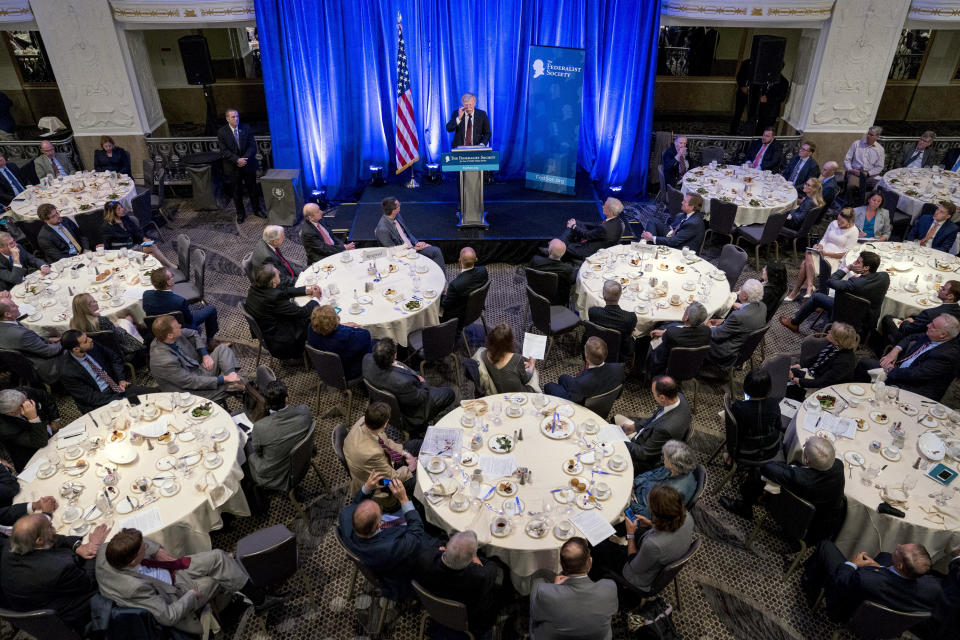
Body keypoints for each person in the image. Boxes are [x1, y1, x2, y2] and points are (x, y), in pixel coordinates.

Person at [96, 527, 283, 635]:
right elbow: (168, 616)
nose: (147, 546)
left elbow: (140, 541)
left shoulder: (107, 549)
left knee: (219, 557)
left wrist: (157, 551)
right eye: (143, 549)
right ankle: (252, 601)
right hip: (174, 594)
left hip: (167, 570)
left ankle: (256, 600)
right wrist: (191, 596)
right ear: (132, 561)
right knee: (219, 574)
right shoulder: (135, 588)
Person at [1, 514, 108, 632]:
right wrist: (94, 546)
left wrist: (76, 546)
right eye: (50, 526)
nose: (53, 526)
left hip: (34, 604)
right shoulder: (58, 569)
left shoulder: (11, 545)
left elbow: (51, 538)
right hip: (69, 612)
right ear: (39, 540)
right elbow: (88, 581)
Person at [590, 485, 695, 601]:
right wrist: (651, 524)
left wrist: (630, 535)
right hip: (668, 550)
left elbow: (634, 566)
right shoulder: (687, 516)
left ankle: (594, 576)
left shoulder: (653, 545)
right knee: (631, 527)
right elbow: (668, 528)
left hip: (636, 575)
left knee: (599, 546)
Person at [338, 471, 432, 599]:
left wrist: (367, 488)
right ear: (378, 524)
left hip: (391, 526)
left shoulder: (346, 517)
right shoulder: (388, 548)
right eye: (380, 512)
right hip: (404, 575)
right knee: (430, 527)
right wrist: (403, 499)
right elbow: (416, 534)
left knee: (418, 506)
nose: (381, 511)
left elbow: (356, 505)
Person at [802, 540, 940, 623]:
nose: (898, 545)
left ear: (900, 566)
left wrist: (852, 564)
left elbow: (841, 582)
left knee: (826, 546)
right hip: (889, 621)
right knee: (885, 556)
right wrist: (880, 568)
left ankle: (809, 584)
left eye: (899, 549)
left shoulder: (864, 579)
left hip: (850, 614)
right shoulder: (934, 587)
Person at [415, 531, 510, 636]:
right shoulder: (479, 576)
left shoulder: (424, 559)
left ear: (447, 546)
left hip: (432, 609)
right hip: (469, 621)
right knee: (502, 571)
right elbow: (492, 566)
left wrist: (440, 551)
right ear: (471, 560)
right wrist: (476, 558)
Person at [753, 437, 846, 542]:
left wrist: (787, 467)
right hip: (826, 526)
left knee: (757, 473)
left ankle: (745, 506)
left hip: (802, 524)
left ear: (807, 461)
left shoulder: (799, 478)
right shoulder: (839, 465)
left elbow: (767, 468)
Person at [717, 369, 784, 515]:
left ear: (746, 387)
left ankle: (745, 504)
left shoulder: (739, 408)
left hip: (748, 453)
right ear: (768, 388)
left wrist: (730, 452)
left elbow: (734, 435)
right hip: (773, 448)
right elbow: (779, 426)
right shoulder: (774, 404)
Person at [854, 314, 960, 401]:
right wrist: (895, 350)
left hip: (915, 388)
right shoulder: (933, 335)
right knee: (864, 364)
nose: (928, 325)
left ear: (943, 335)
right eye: (931, 323)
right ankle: (856, 394)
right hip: (900, 370)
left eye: (933, 326)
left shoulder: (947, 355)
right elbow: (910, 337)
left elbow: (915, 374)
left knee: (882, 395)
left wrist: (890, 370)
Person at [529, 537, 617, 640]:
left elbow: (536, 616)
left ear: (561, 564)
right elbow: (613, 611)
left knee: (537, 580)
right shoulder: (609, 587)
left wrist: (555, 588)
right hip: (598, 636)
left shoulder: (544, 592)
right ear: (590, 562)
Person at [780, 251, 889, 334]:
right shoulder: (885, 277)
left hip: (846, 315)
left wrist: (848, 267)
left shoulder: (853, 284)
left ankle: (794, 324)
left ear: (866, 268)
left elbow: (831, 281)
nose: (854, 262)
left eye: (858, 262)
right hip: (867, 321)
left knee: (816, 297)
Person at [361, 338, 456, 432]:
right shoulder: (403, 383)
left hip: (384, 400)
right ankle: (420, 427)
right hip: (408, 413)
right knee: (449, 393)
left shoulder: (366, 359)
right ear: (395, 356)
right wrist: (423, 382)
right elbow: (421, 398)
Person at [148, 314, 243, 401]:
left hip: (198, 371)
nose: (180, 325)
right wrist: (223, 379)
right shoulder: (164, 361)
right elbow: (190, 381)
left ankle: (233, 380)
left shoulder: (167, 337)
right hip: (189, 391)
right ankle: (233, 383)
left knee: (222, 348)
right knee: (242, 382)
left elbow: (194, 333)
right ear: (170, 335)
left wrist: (205, 355)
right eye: (177, 326)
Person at [59, 330, 157, 413]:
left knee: (156, 394)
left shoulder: (91, 345)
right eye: (85, 341)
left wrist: (121, 379)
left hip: (118, 387)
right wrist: (122, 400)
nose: (90, 339)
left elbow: (115, 359)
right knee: (138, 410)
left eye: (87, 337)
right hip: (99, 401)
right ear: (76, 349)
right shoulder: (67, 371)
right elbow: (90, 397)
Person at [343, 402, 419, 505]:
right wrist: (410, 468)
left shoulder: (364, 421)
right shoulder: (372, 454)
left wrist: (405, 453)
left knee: (416, 444)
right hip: (381, 484)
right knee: (417, 481)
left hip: (380, 463)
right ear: (385, 424)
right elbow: (392, 477)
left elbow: (385, 442)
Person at [615, 376, 691, 474]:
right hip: (648, 437)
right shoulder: (678, 397)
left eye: (653, 394)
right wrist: (633, 427)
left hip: (644, 461)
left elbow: (644, 454)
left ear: (662, 397)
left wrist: (620, 442)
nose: (653, 396)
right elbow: (654, 418)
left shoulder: (665, 429)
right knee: (615, 420)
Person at [247, 380, 312, 492]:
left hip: (276, 476)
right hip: (303, 462)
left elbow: (258, 453)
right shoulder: (304, 411)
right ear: (286, 399)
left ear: (266, 402)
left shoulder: (260, 427)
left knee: (247, 449)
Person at [244, 265, 320, 359]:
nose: (280, 274)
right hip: (281, 338)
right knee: (310, 318)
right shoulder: (273, 298)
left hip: (266, 328)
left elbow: (283, 291)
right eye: (278, 275)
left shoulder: (255, 287)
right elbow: (301, 312)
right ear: (273, 282)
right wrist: (316, 299)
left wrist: (306, 291)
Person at [783, 208, 860, 301]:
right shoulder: (833, 223)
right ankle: (809, 287)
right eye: (838, 219)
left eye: (842, 222)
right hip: (822, 252)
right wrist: (819, 245)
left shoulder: (854, 231)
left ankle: (797, 291)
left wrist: (827, 253)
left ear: (849, 222)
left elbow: (846, 254)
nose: (838, 223)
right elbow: (824, 239)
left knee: (804, 264)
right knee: (809, 251)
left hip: (835, 258)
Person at [143, 267, 219, 349]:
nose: (173, 277)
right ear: (168, 282)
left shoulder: (146, 294)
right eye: (172, 276)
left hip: (158, 329)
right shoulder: (179, 301)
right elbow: (189, 319)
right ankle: (210, 341)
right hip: (180, 327)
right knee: (211, 309)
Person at [786, 322, 859, 401]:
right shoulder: (837, 346)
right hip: (817, 376)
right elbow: (816, 359)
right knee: (785, 371)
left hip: (828, 394)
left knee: (788, 392)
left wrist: (794, 379)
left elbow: (821, 382)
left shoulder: (844, 362)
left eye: (832, 332)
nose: (828, 332)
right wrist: (800, 365)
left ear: (838, 340)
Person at [626, 440, 698, 519]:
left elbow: (649, 515)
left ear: (672, 464)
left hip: (639, 507)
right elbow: (650, 474)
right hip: (636, 491)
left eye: (665, 457)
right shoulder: (676, 469)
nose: (662, 458)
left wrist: (629, 501)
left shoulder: (671, 493)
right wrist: (635, 483)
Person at [543, 336, 625, 405]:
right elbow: (618, 394)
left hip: (581, 402)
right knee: (563, 377)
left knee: (549, 386)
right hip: (600, 394)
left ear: (587, 358)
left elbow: (574, 400)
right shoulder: (619, 368)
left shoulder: (581, 382)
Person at [705, 279, 766, 369]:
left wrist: (708, 327)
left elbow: (716, 335)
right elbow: (740, 326)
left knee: (699, 332)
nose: (739, 289)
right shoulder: (762, 306)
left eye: (741, 288)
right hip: (741, 343)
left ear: (745, 296)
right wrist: (724, 322)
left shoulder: (739, 317)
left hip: (725, 352)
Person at [881, 280, 960, 347]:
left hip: (916, 341)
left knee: (887, 318)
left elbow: (906, 330)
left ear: (950, 296)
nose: (939, 289)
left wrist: (906, 321)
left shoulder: (930, 313)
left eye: (943, 289)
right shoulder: (957, 311)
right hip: (940, 343)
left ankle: (884, 348)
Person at [0, 299, 63, 382]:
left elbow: (31, 340)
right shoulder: (21, 334)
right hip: (43, 364)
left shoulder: (6, 324)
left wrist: (49, 339)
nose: (18, 306)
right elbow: (48, 351)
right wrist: (64, 341)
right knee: (75, 343)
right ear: (7, 314)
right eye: (14, 306)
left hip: (20, 362)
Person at [98, 200, 174, 267]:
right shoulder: (107, 227)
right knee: (152, 253)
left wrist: (144, 238)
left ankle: (168, 268)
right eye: (119, 209)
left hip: (133, 246)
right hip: (123, 252)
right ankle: (171, 267)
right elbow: (107, 245)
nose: (123, 210)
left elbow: (136, 231)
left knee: (152, 250)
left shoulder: (125, 218)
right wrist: (102, 246)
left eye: (121, 207)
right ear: (112, 212)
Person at [374, 197, 445, 268]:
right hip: (404, 254)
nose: (400, 206)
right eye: (399, 205)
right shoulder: (383, 229)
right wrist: (414, 249)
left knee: (436, 251)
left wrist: (416, 242)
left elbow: (408, 233)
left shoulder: (397, 215)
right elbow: (394, 252)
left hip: (412, 246)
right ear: (393, 210)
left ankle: (441, 277)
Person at [217, 108, 262, 222]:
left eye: (237, 116)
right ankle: (241, 214)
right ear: (227, 118)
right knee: (237, 192)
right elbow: (224, 150)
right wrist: (237, 160)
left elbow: (252, 145)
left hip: (247, 164)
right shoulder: (222, 132)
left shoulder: (246, 128)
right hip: (233, 167)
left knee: (253, 189)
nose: (236, 118)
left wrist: (244, 159)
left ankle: (257, 210)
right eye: (233, 117)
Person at [306, 305, 371, 380]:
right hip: (347, 373)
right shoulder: (346, 337)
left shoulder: (311, 328)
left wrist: (342, 326)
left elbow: (325, 328)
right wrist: (350, 327)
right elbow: (366, 334)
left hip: (323, 368)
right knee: (376, 343)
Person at [645, 301, 710, 376]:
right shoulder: (707, 331)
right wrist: (665, 332)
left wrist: (665, 333)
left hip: (668, 367)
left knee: (653, 341)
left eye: (685, 310)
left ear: (686, 317)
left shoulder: (671, 334)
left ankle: (648, 370)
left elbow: (672, 335)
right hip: (692, 365)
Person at [69, 292, 143, 358]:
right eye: (94, 301)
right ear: (87, 307)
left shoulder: (73, 323)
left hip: (97, 353)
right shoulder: (101, 321)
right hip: (117, 349)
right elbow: (119, 336)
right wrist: (118, 327)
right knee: (128, 318)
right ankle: (142, 351)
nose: (97, 302)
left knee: (123, 320)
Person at [0, 388, 55, 471]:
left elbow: (43, 395)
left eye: (26, 399)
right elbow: (40, 442)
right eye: (23, 404)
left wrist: (54, 419)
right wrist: (34, 418)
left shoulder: (22, 394)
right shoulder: (6, 429)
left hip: (50, 438)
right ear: (11, 413)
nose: (29, 403)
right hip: (32, 459)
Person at [478, 323, 538, 393]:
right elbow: (525, 380)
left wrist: (520, 366)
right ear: (509, 342)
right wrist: (532, 364)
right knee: (535, 372)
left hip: (498, 391)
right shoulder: (517, 358)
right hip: (518, 395)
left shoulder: (484, 354)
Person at [587, 279, 637, 363]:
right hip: (620, 352)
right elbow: (629, 333)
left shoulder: (593, 311)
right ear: (620, 295)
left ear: (604, 296)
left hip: (596, 345)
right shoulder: (630, 317)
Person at [562, 197, 626, 261]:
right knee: (579, 228)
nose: (602, 206)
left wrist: (573, 226)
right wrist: (578, 223)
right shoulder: (620, 222)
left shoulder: (604, 228)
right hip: (605, 246)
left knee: (567, 246)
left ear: (611, 212)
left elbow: (587, 235)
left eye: (605, 206)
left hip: (594, 252)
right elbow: (597, 225)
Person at [641, 192, 706, 251]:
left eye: (685, 201)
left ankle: (649, 247)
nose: (682, 202)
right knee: (652, 220)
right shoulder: (688, 213)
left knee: (650, 238)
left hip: (680, 248)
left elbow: (674, 241)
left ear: (691, 207)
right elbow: (674, 226)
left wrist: (652, 238)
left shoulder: (693, 223)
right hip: (673, 234)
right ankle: (649, 245)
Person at [440, 246, 487, 326]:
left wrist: (442, 294)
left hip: (457, 317)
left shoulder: (455, 285)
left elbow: (445, 304)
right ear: (476, 259)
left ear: (459, 260)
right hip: (476, 309)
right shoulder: (483, 271)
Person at [528, 238, 576, 305]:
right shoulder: (568, 269)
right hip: (558, 300)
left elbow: (529, 274)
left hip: (535, 294)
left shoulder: (535, 260)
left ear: (549, 251)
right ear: (564, 253)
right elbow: (572, 281)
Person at [252, 225, 300, 289]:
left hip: (279, 270)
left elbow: (283, 261)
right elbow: (280, 279)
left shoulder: (266, 242)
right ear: (275, 241)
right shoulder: (268, 257)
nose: (284, 237)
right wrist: (299, 281)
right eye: (282, 236)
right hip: (273, 284)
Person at [844, 126, 885, 195]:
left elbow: (880, 166)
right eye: (868, 134)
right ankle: (849, 203)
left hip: (870, 175)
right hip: (855, 173)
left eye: (871, 135)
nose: (868, 136)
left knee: (881, 187)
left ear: (877, 137)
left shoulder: (880, 149)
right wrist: (850, 169)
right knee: (852, 186)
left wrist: (868, 173)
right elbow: (847, 159)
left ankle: (867, 203)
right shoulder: (856, 144)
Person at [754, 67, 790, 134]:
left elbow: (782, 98)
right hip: (760, 108)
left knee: (766, 131)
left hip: (771, 111)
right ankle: (756, 142)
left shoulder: (784, 81)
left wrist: (768, 99)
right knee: (758, 129)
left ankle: (764, 143)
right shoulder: (765, 78)